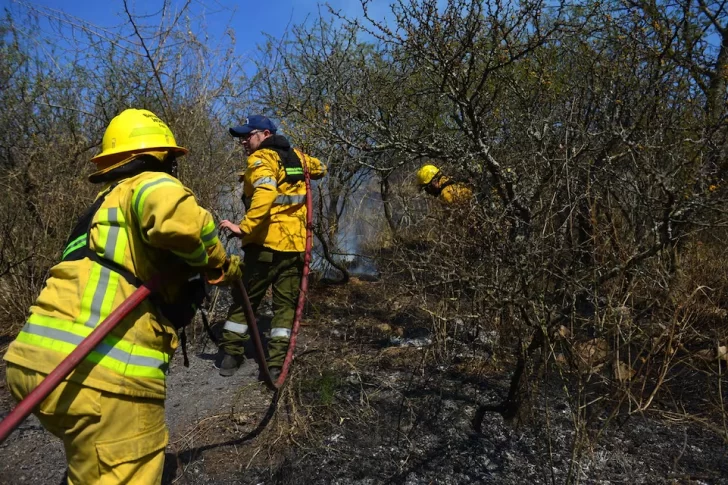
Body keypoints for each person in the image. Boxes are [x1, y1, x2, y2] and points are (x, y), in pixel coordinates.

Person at [3, 108, 241, 484]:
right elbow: (182, 224)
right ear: (160, 157)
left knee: (92, 464)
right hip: (103, 375)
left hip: (34, 365)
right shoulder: (152, 182)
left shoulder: (101, 210)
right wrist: (218, 264)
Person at [218, 115, 326, 379]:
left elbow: (265, 193)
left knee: (247, 299)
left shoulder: (261, 160)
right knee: (285, 306)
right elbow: (320, 168)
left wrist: (244, 227)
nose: (243, 141)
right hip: (296, 247)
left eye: (248, 135)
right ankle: (277, 362)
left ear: (265, 134)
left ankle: (231, 354)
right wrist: (300, 162)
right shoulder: (298, 158)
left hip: (265, 245)